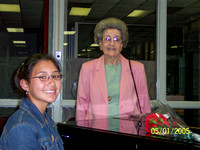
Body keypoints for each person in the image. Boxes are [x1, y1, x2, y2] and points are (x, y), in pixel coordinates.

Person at [76, 18, 151, 121]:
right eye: (107, 39)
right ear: (100, 44)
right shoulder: (87, 68)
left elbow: (144, 102)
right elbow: (82, 103)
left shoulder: (137, 68)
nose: (112, 43)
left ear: (121, 45)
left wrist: (145, 129)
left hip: (129, 128)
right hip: (97, 127)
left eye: (116, 39)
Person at [0, 54, 64, 150]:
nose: (52, 82)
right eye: (42, 77)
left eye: (55, 76)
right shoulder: (23, 127)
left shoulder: (45, 119)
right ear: (25, 84)